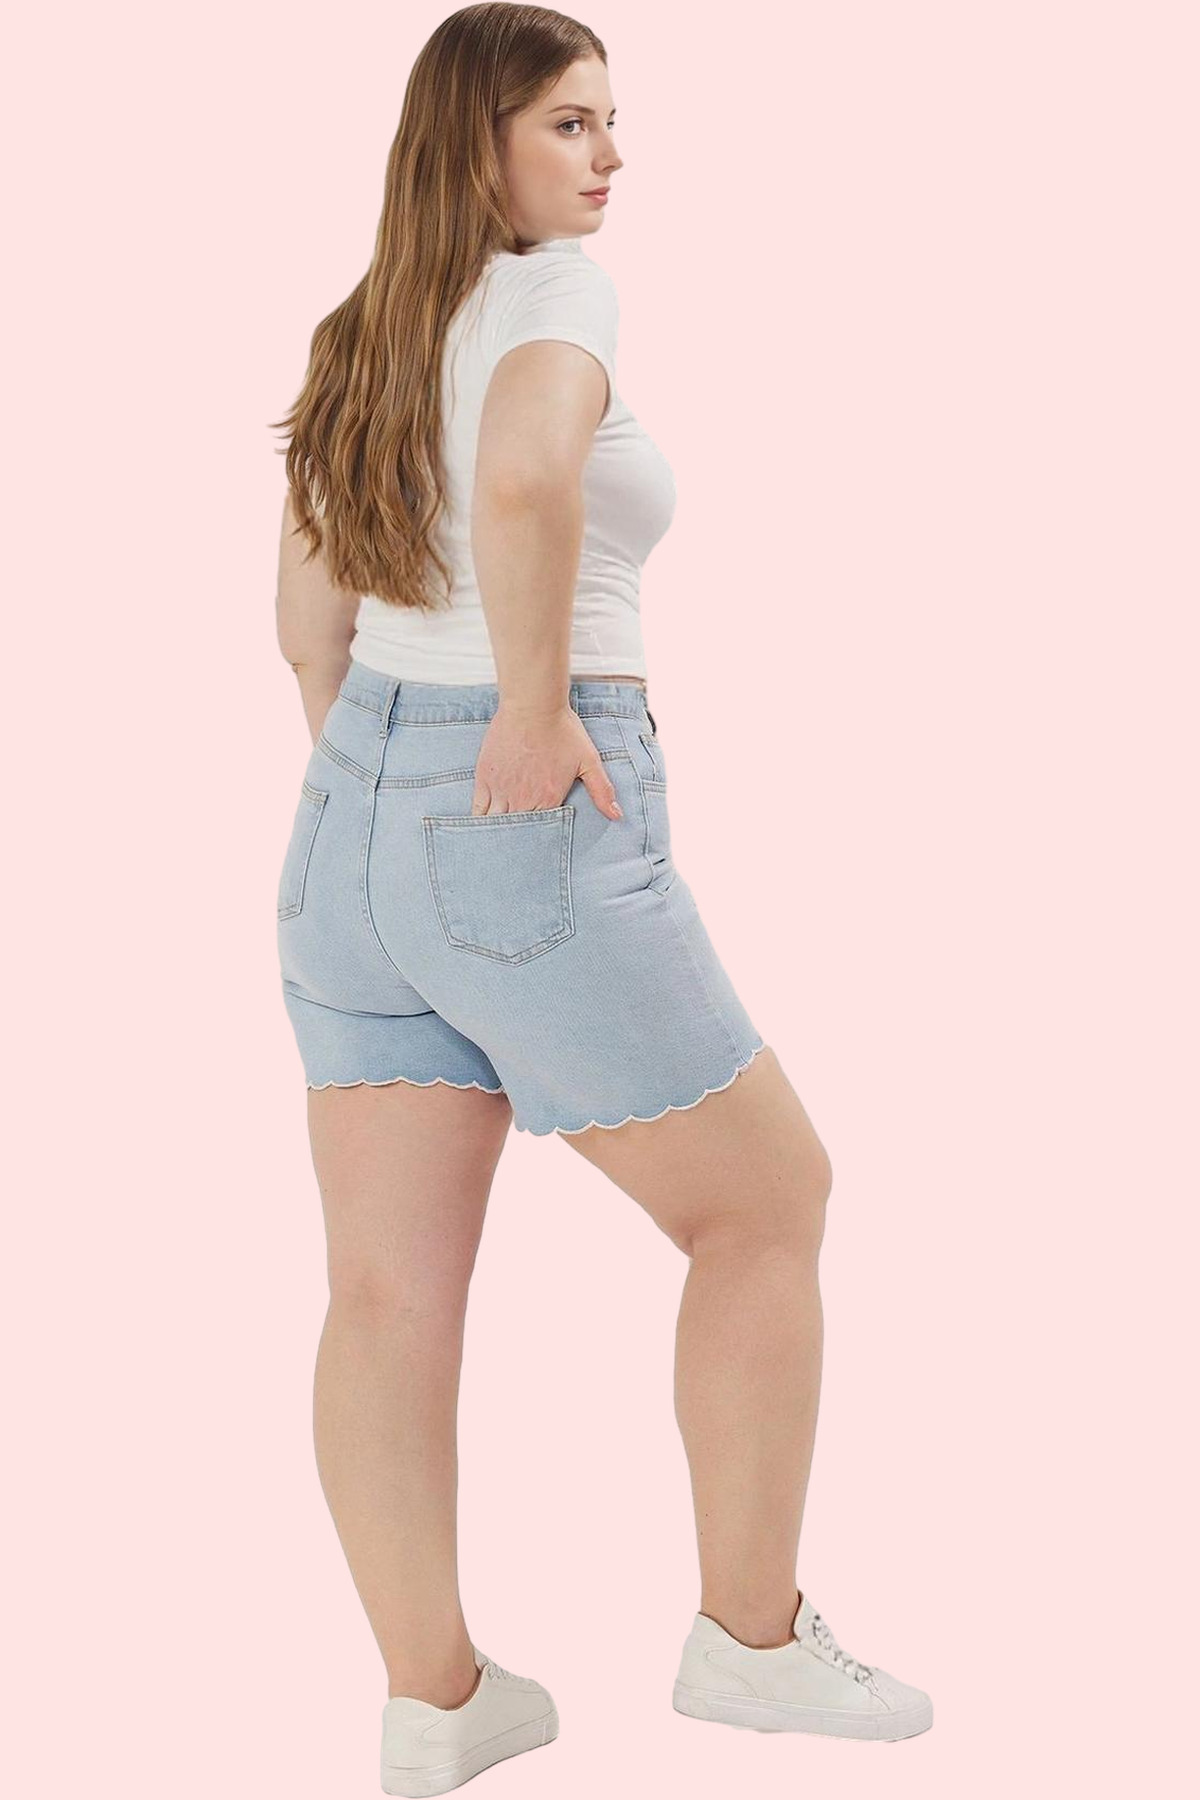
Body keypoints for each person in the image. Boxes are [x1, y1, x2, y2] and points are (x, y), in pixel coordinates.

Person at [271, 7, 931, 1792]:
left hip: (347, 836)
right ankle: (752, 1644)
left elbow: (307, 626)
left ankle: (437, 1700)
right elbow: (525, 473)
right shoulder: (555, 297)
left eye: (611, 122)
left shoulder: (366, 329)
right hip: (523, 803)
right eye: (571, 122)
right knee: (769, 1202)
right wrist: (531, 707)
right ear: (476, 140)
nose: (610, 156)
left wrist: (384, 791)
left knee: (386, 1293)